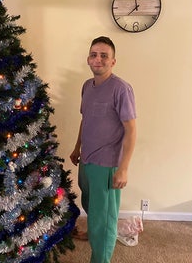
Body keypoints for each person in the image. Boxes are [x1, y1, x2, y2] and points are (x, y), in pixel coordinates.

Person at [69, 36, 137, 263]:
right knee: (91, 205)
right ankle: (93, 234)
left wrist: (124, 169)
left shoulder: (121, 89)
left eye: (104, 55)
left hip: (107, 164)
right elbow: (85, 119)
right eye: (94, 55)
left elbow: (131, 130)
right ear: (88, 59)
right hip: (87, 159)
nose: (98, 59)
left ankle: (101, 258)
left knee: (104, 218)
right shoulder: (87, 86)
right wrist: (77, 147)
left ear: (113, 61)